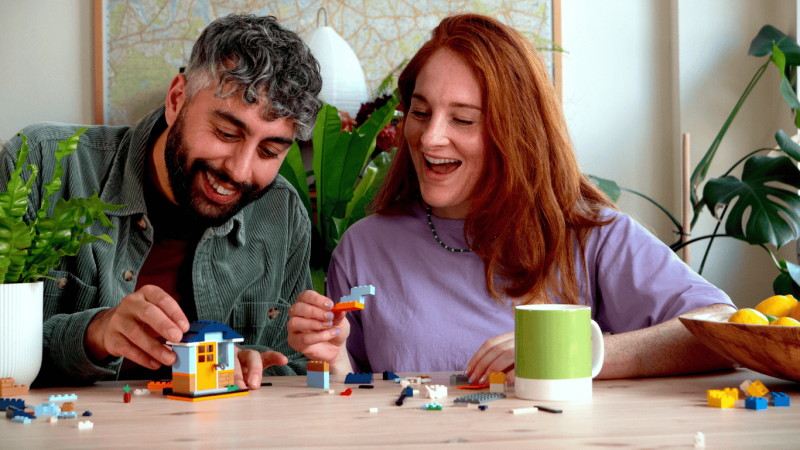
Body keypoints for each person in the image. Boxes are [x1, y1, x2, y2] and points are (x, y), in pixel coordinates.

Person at [286, 13, 736, 383]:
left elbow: (724, 330)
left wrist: (569, 351)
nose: (429, 137)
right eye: (420, 112)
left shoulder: (590, 235)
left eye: (463, 119)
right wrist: (331, 357)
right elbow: (349, 393)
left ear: (517, 135)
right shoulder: (364, 248)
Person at [0, 14, 322, 387]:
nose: (239, 170)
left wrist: (259, 369)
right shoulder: (40, 165)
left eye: (269, 151)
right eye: (226, 133)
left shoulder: (282, 214)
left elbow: (295, 369)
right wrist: (95, 333)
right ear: (176, 100)